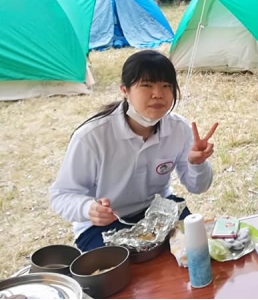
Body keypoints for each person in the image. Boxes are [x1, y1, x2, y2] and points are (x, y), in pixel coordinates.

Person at [50, 50, 218, 251]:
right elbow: (61, 195)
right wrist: (88, 208)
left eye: (166, 86)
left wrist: (197, 163)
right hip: (103, 224)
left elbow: (198, 187)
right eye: (146, 85)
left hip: (158, 211)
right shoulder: (92, 136)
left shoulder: (178, 129)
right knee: (120, 278)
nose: (158, 94)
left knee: (196, 253)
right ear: (125, 90)